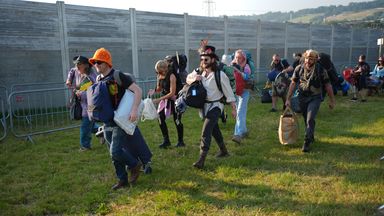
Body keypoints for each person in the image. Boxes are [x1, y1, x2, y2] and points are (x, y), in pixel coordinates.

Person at [89, 48, 152, 189]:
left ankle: (135, 165)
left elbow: (138, 90)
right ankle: (122, 180)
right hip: (107, 121)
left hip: (120, 120)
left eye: (99, 62)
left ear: (106, 63)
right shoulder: (99, 79)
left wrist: (135, 109)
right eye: (94, 63)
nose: (96, 65)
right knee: (113, 155)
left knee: (115, 151)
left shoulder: (118, 75)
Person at [186, 45, 237, 169]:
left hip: (216, 106)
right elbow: (187, 79)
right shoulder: (199, 72)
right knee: (215, 130)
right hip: (203, 107)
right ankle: (224, 151)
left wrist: (233, 108)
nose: (203, 62)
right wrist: (194, 79)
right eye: (202, 59)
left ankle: (201, 160)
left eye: (206, 59)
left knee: (206, 131)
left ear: (213, 60)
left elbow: (229, 92)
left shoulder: (220, 75)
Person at [285, 49, 335, 153]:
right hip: (302, 97)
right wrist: (288, 98)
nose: (308, 60)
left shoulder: (321, 69)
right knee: (306, 119)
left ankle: (306, 142)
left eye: (311, 59)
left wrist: (332, 100)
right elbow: (293, 83)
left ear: (316, 60)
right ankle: (311, 135)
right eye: (307, 58)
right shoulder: (299, 68)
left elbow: (328, 85)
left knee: (310, 118)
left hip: (315, 97)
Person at [66, 55, 100, 151]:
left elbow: (95, 91)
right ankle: (103, 132)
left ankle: (85, 146)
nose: (77, 67)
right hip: (81, 104)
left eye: (79, 65)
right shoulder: (77, 71)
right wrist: (69, 80)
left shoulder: (92, 77)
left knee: (85, 126)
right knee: (89, 124)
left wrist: (81, 94)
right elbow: (72, 71)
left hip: (90, 105)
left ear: (86, 65)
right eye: (76, 65)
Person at [148, 59, 185, 148]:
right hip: (166, 100)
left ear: (164, 69)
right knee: (160, 117)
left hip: (176, 100)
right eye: (157, 72)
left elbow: (172, 93)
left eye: (159, 71)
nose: (158, 73)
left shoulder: (172, 76)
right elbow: (160, 89)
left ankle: (181, 141)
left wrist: (159, 99)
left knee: (177, 120)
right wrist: (154, 91)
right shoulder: (160, 76)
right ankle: (166, 140)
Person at [230, 49, 251, 144]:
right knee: (241, 111)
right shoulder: (233, 65)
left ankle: (237, 134)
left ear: (243, 58)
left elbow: (247, 77)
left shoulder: (246, 66)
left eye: (239, 57)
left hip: (245, 91)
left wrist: (238, 71)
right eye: (236, 57)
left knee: (239, 112)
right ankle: (244, 131)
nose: (237, 59)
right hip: (237, 91)